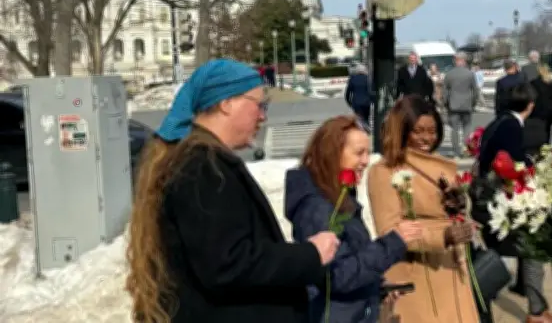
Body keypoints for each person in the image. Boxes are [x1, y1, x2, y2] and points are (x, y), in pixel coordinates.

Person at [126, 59, 340, 323]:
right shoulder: (202, 168)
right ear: (226, 103)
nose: (263, 116)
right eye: (259, 105)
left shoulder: (203, 161)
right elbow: (227, 265)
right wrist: (310, 254)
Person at [284, 115, 423, 323]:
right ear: (332, 154)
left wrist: (375, 285)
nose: (366, 161)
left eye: (367, 153)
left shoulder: (338, 196)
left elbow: (353, 256)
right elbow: (338, 275)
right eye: (359, 153)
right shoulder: (318, 207)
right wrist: (393, 242)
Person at [367, 95, 480, 323]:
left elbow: (450, 211)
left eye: (432, 131)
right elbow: (389, 231)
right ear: (402, 130)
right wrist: (441, 237)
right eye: (418, 131)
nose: (427, 138)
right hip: (417, 275)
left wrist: (460, 204)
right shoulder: (384, 171)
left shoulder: (440, 165)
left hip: (452, 269)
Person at [471, 83, 552, 323]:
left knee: (499, 250)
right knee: (533, 246)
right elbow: (512, 166)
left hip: (484, 197)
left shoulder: (499, 121)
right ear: (531, 105)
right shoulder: (512, 127)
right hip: (497, 199)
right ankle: (536, 311)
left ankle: (515, 289)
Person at [443, 51, 479, 158]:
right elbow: (475, 91)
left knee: (454, 129)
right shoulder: (470, 74)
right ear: (463, 61)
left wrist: (446, 103)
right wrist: (473, 103)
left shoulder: (449, 74)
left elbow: (445, 92)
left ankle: (455, 151)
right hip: (467, 105)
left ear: (456, 61)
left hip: (453, 105)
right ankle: (465, 148)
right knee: (467, 127)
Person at [522, 64, 552, 157]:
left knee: (539, 129)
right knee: (548, 129)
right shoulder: (550, 82)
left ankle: (539, 148)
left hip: (538, 110)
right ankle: (546, 147)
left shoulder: (534, 83)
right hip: (550, 110)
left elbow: (530, 96)